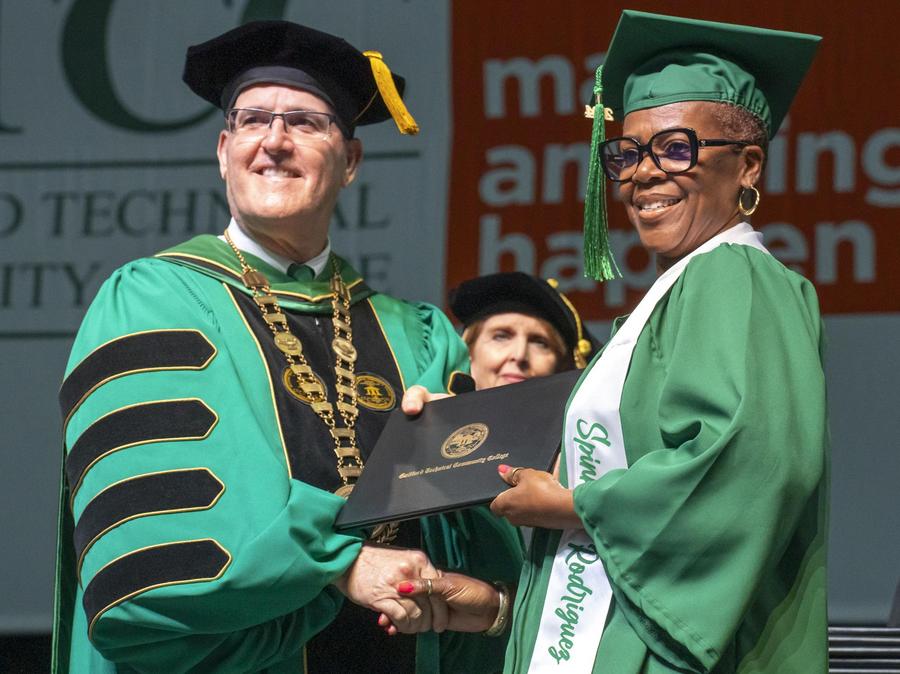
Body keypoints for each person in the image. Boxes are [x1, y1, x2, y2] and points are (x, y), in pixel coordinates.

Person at [52, 20, 521, 674]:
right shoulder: (154, 299)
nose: (274, 141)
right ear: (223, 151)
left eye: (306, 122)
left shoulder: (415, 333)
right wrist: (344, 564)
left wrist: (457, 506)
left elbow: (482, 554)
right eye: (252, 121)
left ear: (350, 161)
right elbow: (162, 548)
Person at [395, 11, 829, 673]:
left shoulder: (737, 275)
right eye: (626, 154)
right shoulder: (666, 302)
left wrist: (568, 505)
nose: (643, 174)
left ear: (748, 166)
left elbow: (750, 463)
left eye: (677, 148)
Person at [448, 272, 595, 389]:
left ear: (562, 365)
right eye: (501, 337)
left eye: (540, 343)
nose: (519, 355)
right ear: (468, 351)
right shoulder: (436, 421)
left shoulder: (578, 427)